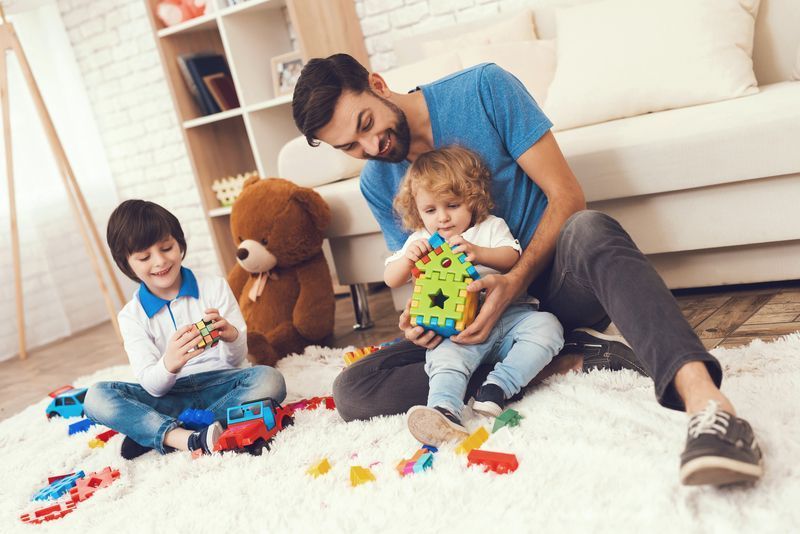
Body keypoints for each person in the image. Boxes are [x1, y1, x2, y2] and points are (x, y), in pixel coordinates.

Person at [291, 53, 763, 486]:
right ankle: (560, 357)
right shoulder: (378, 179)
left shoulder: (483, 89)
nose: (371, 146)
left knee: (590, 227)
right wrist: (421, 318)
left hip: (554, 287)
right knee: (354, 391)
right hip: (476, 323)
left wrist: (513, 281)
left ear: (377, 84)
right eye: (350, 146)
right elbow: (420, 271)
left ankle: (708, 406)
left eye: (367, 124)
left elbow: (567, 195)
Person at [386, 145, 564, 446]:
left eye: (452, 205)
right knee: (444, 359)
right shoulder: (420, 241)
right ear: (418, 211)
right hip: (459, 332)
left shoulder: (489, 227)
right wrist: (408, 259)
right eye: (430, 210)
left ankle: (497, 388)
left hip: (511, 318)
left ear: (472, 199)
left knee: (549, 327)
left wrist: (478, 252)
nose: (442, 218)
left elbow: (511, 257)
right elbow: (391, 278)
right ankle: (444, 409)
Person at [83, 200, 286, 459]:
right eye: (145, 257)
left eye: (166, 248)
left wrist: (232, 337)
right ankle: (185, 436)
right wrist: (169, 363)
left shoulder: (214, 286)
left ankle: (159, 432)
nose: (159, 261)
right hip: (170, 395)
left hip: (221, 383)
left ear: (179, 244)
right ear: (127, 264)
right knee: (96, 396)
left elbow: (236, 362)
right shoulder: (131, 316)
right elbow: (152, 386)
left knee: (269, 379)